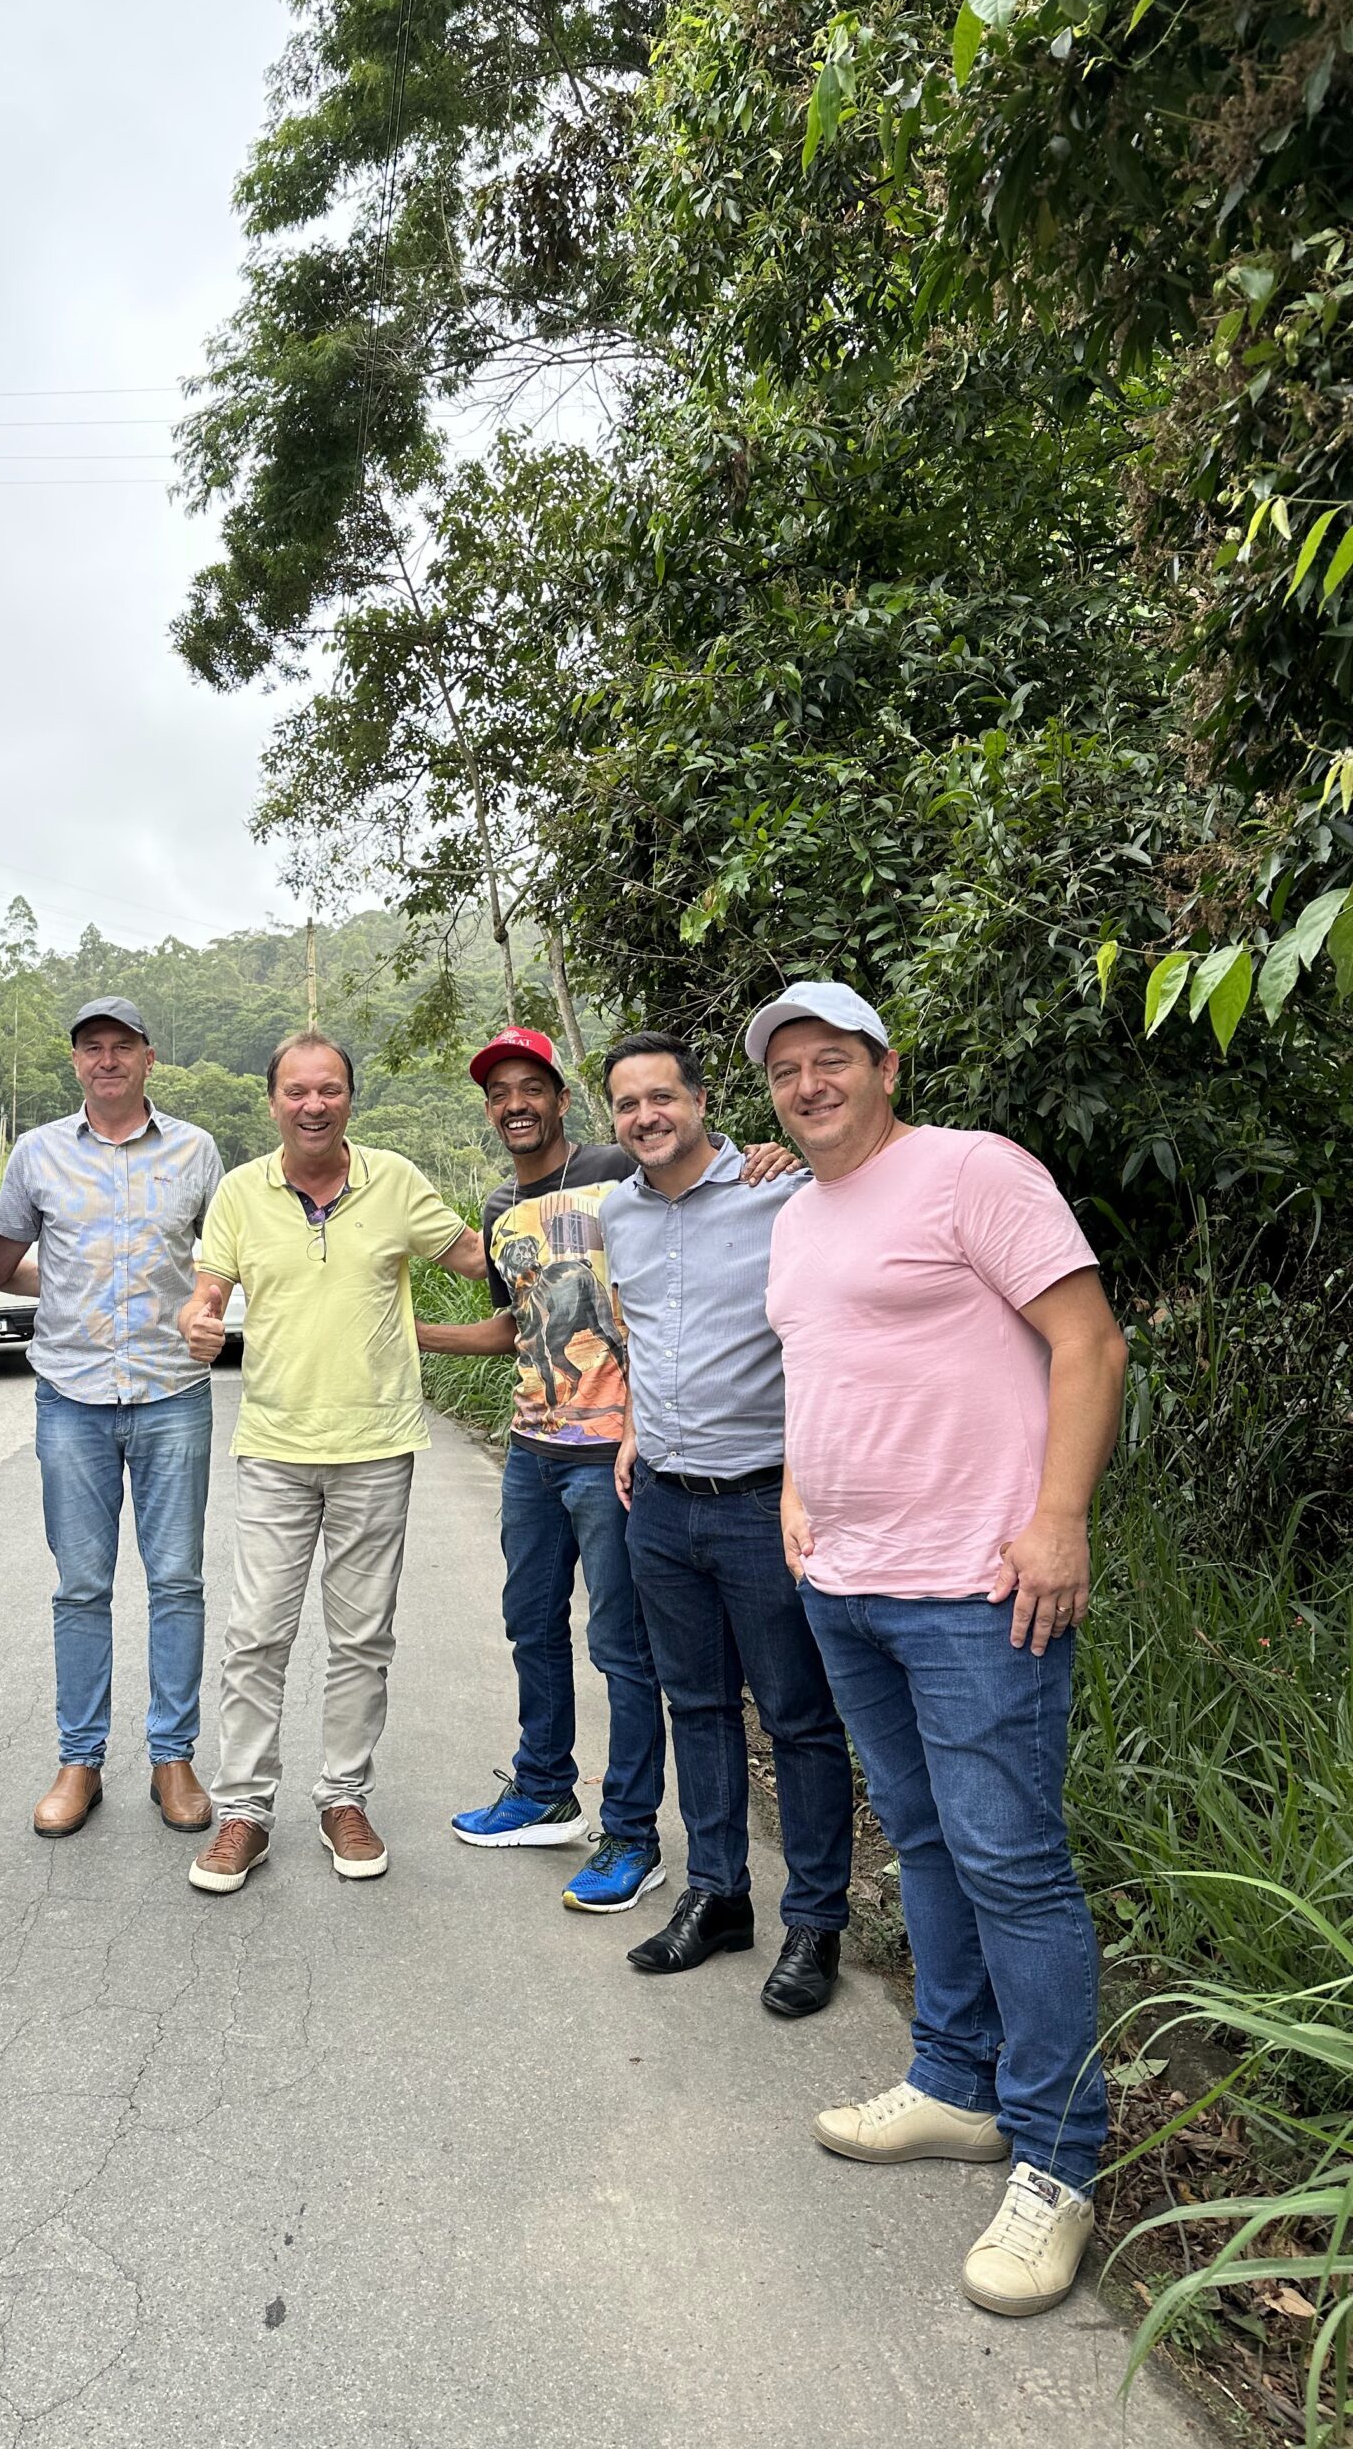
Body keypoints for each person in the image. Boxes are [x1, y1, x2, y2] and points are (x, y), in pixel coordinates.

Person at [751, 981, 1127, 2317]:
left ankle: (1058, 2159)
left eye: (831, 1059)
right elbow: (821, 1368)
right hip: (848, 1587)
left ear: (885, 1066)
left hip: (977, 1587)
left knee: (1012, 1864)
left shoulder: (975, 1171)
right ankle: (958, 2083)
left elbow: (1089, 1342)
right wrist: (797, 1492)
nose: (808, 1084)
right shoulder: (795, 1218)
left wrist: (1060, 1518)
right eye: (787, 1069)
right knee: (921, 1841)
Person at [418, 1026, 796, 1915]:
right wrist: (413, 1335)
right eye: (499, 1093)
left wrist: (774, 1157)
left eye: (531, 1087)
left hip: (619, 1457)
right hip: (533, 1450)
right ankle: (545, 1789)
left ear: (562, 1099)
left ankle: (631, 1833)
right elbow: (520, 1327)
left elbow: (701, 1184)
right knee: (530, 1625)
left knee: (624, 1650)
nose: (515, 1104)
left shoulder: (619, 1171)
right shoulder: (498, 1209)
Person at [176, 1031, 490, 1893]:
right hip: (274, 1448)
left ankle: (344, 1799)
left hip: (377, 1447)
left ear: (352, 1097)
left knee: (361, 1640)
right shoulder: (241, 1192)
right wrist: (198, 1322)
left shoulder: (396, 1181)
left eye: (330, 1090)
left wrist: (577, 1207)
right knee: (255, 1636)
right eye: (296, 1091)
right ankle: (244, 1812)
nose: (313, 1105)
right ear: (273, 1101)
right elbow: (207, 1296)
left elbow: (476, 1255)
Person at [598, 1032, 854, 2019]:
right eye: (628, 1103)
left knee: (797, 1717)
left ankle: (816, 1921)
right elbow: (640, 1330)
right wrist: (634, 1428)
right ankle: (718, 1895)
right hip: (661, 1504)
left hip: (763, 1501)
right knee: (696, 1706)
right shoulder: (618, 1211)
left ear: (701, 1101)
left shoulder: (780, 1191)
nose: (646, 1116)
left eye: (662, 1097)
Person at [0, 997, 225, 1840]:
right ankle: (79, 1760)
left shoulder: (196, 1151)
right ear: (77, 1062)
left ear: (149, 1058)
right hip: (72, 1398)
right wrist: (70, 1286)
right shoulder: (36, 1153)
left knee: (177, 1581)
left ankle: (173, 1758)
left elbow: (227, 1262)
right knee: (81, 1586)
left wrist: (205, 1310)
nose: (108, 1059)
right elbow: (0, 1264)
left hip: (171, 1394)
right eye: (93, 1047)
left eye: (123, 1046)